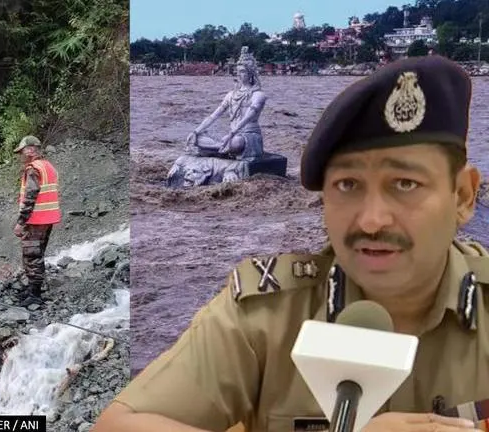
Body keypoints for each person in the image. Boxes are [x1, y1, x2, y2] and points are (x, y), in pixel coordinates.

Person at [93, 56, 489, 431]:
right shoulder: (266, 317)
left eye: (405, 184)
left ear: (463, 197)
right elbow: (116, 424)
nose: (371, 220)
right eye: (347, 185)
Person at [185, 46, 266, 160]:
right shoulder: (231, 95)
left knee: (236, 143)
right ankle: (221, 148)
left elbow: (250, 115)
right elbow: (214, 116)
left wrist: (232, 133)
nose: (238, 75)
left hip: (248, 136)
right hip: (230, 136)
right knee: (196, 138)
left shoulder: (258, 94)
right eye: (237, 72)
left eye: (242, 71)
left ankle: (217, 148)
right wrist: (196, 131)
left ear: (250, 73)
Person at [12, 135, 62, 308]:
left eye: (23, 151)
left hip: (35, 220)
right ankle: (34, 289)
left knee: (32, 256)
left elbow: (31, 196)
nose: (21, 155)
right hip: (47, 219)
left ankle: (35, 295)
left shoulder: (33, 169)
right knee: (38, 254)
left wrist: (21, 222)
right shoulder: (48, 167)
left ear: (31, 149)